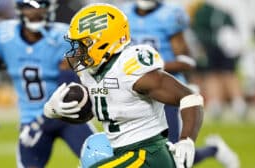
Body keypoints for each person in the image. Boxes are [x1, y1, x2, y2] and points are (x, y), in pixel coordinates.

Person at [44, 3, 203, 167]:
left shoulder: (130, 68)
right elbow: (95, 112)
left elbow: (190, 97)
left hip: (147, 154)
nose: (77, 51)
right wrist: (53, 110)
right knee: (93, 149)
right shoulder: (91, 71)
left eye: (83, 44)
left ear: (102, 41)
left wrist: (186, 140)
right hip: (124, 152)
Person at [0, 0, 94, 167]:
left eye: (42, 5)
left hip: (68, 115)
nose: (35, 12)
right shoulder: (5, 36)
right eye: (29, 7)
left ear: (50, 8)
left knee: (99, 160)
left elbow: (66, 89)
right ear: (19, 9)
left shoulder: (63, 37)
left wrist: (40, 121)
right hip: (31, 118)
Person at [120, 0, 239, 167]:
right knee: (138, 151)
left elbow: (187, 61)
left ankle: (213, 150)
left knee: (174, 152)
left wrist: (148, 65)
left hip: (166, 91)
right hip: (135, 92)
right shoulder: (122, 13)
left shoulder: (170, 14)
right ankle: (214, 149)